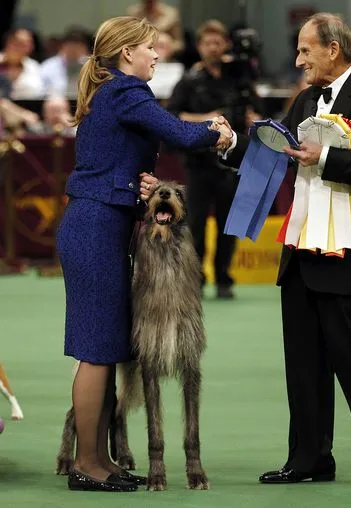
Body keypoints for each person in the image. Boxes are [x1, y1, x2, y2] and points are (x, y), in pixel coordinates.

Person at [217, 12, 351, 485]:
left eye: (306, 49)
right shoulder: (306, 98)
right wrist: (229, 148)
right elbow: (275, 155)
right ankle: (309, 457)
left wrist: (328, 157)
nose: (298, 59)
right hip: (301, 250)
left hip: (348, 251)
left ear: (334, 49)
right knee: (303, 360)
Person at [56, 16, 231, 493]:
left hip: (99, 225)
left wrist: (138, 190)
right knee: (95, 352)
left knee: (107, 348)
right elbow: (178, 133)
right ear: (127, 52)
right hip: (94, 231)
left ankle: (102, 459)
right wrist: (219, 131)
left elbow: (108, 164)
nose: (158, 55)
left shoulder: (107, 91)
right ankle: (87, 465)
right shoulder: (128, 91)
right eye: (151, 48)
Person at [167, 19, 263, 299]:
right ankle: (196, 279)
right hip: (198, 164)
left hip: (232, 163)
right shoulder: (188, 81)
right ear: (199, 47)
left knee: (228, 225)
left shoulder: (239, 78)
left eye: (218, 42)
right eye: (207, 42)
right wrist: (206, 119)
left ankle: (224, 277)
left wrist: (253, 119)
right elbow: (172, 117)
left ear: (225, 46)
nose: (213, 47)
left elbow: (258, 110)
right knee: (195, 225)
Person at [40, 29, 91, 98]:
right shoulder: (48, 66)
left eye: (78, 47)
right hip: (55, 105)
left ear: (85, 49)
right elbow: (40, 92)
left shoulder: (91, 66)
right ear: (62, 46)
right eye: (71, 46)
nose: (74, 51)